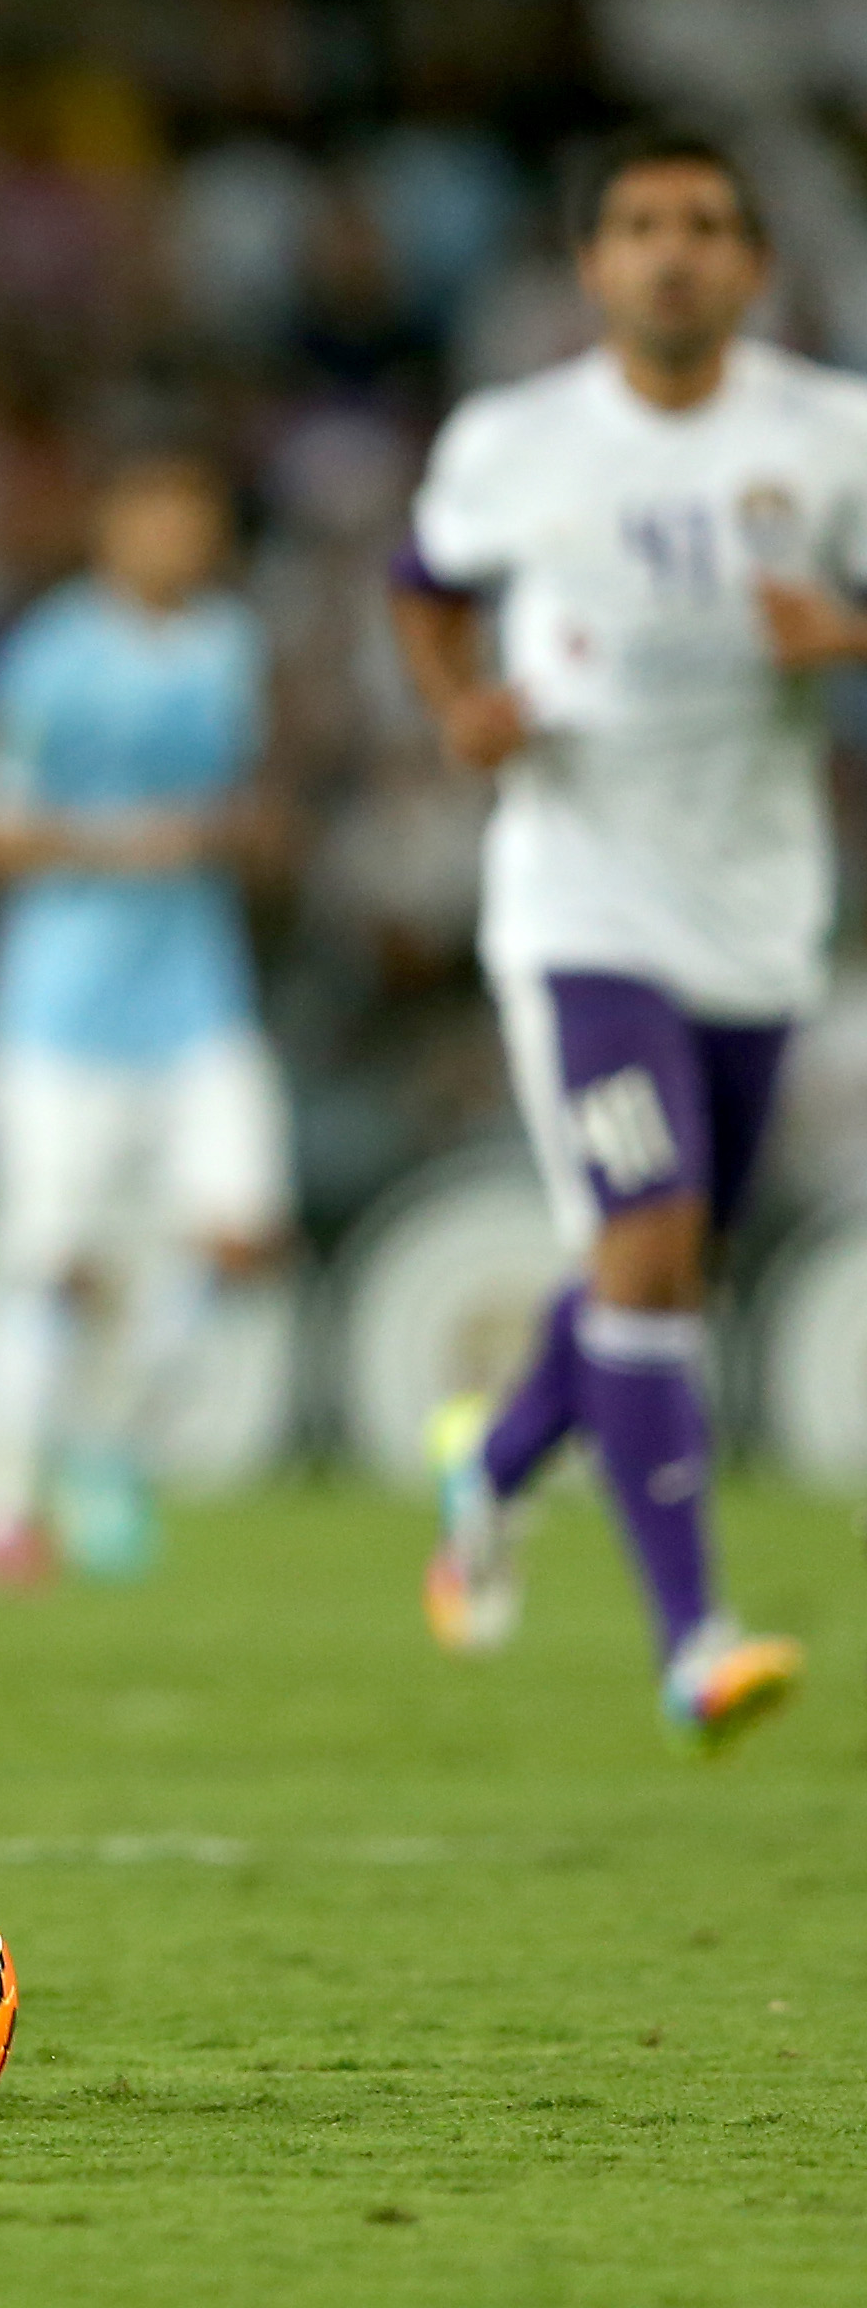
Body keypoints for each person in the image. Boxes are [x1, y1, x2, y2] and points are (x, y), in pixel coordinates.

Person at [398, 124, 867, 1749]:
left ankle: (494, 1461)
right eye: (645, 225)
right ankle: (696, 1641)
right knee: (652, 1234)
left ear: (754, 264)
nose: (676, 251)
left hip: (758, 912)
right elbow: (423, 585)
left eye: (707, 225)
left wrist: (848, 635)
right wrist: (462, 708)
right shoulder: (517, 441)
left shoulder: (832, 432)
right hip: (579, 900)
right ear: (594, 264)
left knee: (658, 1263)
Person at [0, 448, 288, 1590]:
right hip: (59, 1009)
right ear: (113, 529)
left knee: (239, 1236)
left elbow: (259, 804)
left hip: (197, 996)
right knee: (50, 1262)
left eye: (195, 521)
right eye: (157, 519)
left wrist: (244, 833)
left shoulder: (231, 647)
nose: (178, 542)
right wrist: (120, 844)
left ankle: (109, 1442)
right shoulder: (52, 657)